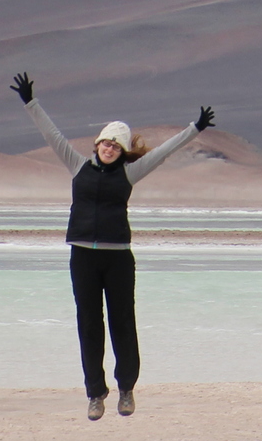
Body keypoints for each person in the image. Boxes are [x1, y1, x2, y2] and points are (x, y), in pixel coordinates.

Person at [12, 72, 214, 420]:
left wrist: (194, 129)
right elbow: (51, 134)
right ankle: (95, 394)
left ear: (122, 151)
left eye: (116, 146)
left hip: (118, 259)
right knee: (89, 324)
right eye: (106, 143)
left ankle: (126, 390)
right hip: (83, 258)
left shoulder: (130, 174)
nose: (109, 149)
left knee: (122, 321)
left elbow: (164, 152)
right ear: (97, 144)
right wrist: (31, 102)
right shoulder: (77, 166)